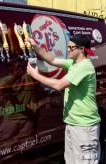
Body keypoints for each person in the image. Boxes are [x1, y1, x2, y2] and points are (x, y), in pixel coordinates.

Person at [26, 34, 101, 164]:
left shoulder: (84, 67)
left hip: (84, 127)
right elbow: (53, 60)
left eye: (71, 48)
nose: (68, 50)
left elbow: (58, 85)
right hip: (73, 124)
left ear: (81, 49)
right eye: (68, 47)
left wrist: (35, 75)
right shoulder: (73, 63)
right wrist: (35, 46)